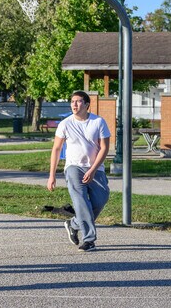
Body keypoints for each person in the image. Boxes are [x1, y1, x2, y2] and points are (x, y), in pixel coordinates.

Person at [47, 91, 111, 252]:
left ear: (87, 104)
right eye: (72, 101)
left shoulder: (98, 122)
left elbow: (104, 148)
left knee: (100, 201)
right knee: (81, 201)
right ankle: (89, 239)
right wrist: (52, 175)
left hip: (96, 168)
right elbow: (56, 149)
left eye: (78, 101)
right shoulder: (65, 124)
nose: (74, 104)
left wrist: (93, 169)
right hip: (73, 167)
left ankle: (73, 223)